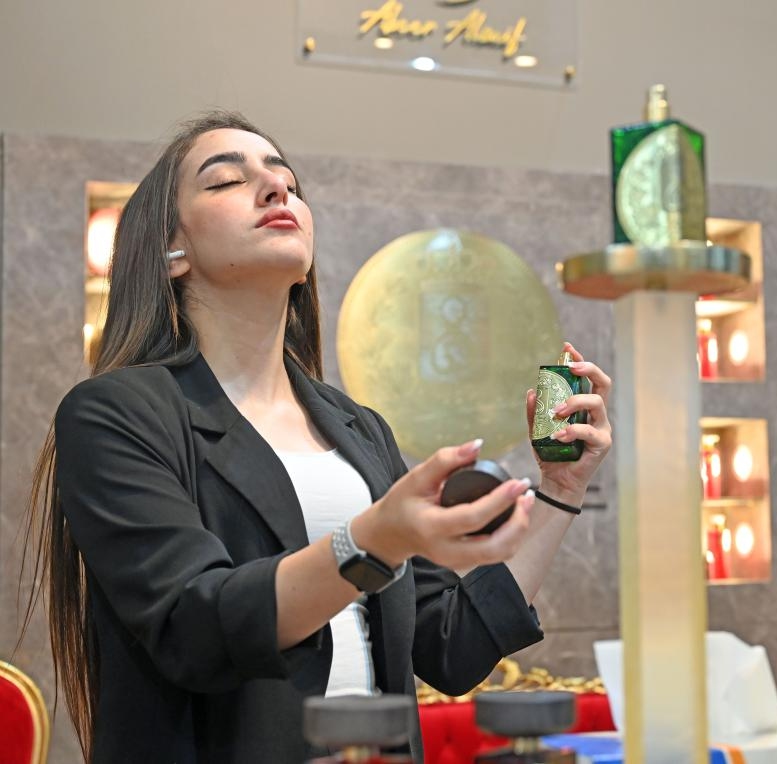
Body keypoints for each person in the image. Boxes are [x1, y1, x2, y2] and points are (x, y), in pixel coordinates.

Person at [21, 111, 612, 764]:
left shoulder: (358, 430)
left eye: (288, 182)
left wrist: (559, 491)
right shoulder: (115, 415)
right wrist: (371, 540)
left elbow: (450, 647)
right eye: (226, 181)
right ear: (171, 252)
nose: (277, 191)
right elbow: (200, 624)